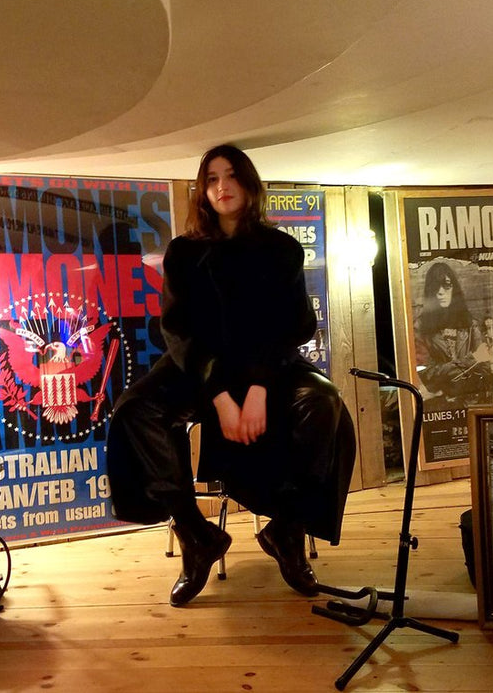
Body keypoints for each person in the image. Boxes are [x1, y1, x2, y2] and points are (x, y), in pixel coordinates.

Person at [106, 144, 356, 607]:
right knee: (135, 410)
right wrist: (220, 395)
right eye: (212, 179)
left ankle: (287, 527)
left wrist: (258, 388)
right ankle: (194, 534)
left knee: (324, 401)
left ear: (248, 183)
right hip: (199, 366)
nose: (222, 186)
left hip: (269, 363)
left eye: (231, 176)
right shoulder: (183, 253)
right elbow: (178, 330)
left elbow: (292, 326)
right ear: (203, 191)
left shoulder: (280, 249)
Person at [414, 261, 493, 407]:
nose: (441, 292)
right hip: (440, 407)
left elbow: (485, 370)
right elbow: (427, 375)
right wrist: (472, 359)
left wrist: (447, 375)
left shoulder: (469, 323)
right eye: (435, 287)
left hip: (471, 404)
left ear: (454, 288)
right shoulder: (420, 327)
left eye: (446, 285)